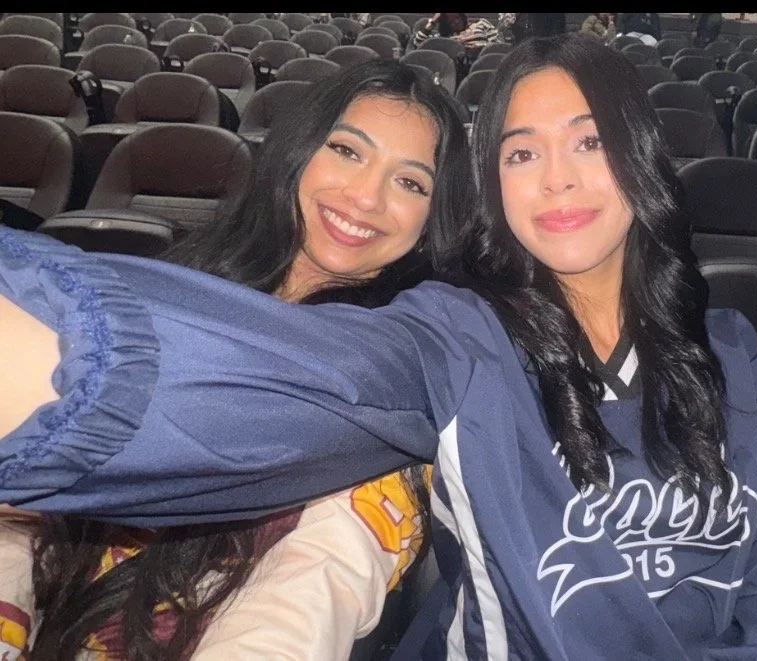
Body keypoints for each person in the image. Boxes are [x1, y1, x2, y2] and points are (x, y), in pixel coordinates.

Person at [0, 35, 757, 659]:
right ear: (495, 188)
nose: (559, 176)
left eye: (589, 142)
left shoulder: (732, 352)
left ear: (641, 157)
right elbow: (279, 382)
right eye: (521, 152)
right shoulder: (460, 337)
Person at [0, 60, 472, 660]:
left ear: (434, 218)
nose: (365, 196)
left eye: (411, 183)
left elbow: (310, 592)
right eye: (347, 151)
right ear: (297, 150)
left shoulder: (387, 395)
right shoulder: (184, 279)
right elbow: (23, 529)